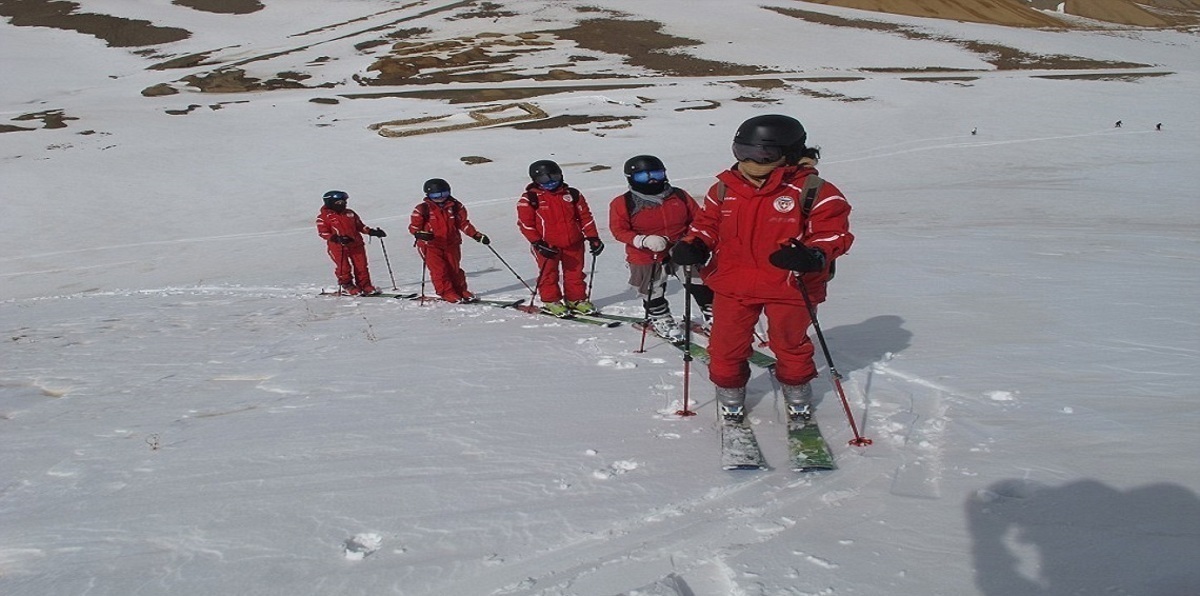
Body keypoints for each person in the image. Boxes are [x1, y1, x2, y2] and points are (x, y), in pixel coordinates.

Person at [671, 114, 853, 423]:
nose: (752, 162)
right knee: (725, 343)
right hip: (733, 282)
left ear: (789, 153)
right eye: (743, 152)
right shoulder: (724, 189)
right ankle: (730, 392)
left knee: (789, 343)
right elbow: (707, 226)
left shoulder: (814, 190)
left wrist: (813, 255)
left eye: (763, 154)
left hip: (790, 285)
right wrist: (696, 244)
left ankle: (796, 391)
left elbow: (834, 233)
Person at [608, 154, 714, 342]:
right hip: (646, 254)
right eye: (643, 176)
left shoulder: (679, 195)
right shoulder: (623, 202)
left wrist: (691, 240)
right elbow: (618, 230)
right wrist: (643, 240)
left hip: (680, 248)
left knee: (698, 281)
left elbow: (698, 219)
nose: (651, 180)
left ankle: (712, 315)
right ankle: (660, 317)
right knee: (652, 287)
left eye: (656, 173)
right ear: (631, 179)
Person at [517, 160, 604, 317]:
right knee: (549, 273)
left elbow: (585, 217)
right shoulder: (529, 198)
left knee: (575, 272)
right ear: (535, 180)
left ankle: (576, 299)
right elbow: (525, 224)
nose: (550, 182)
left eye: (554, 177)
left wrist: (593, 237)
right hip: (547, 245)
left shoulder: (572, 195)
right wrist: (537, 242)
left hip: (574, 242)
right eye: (544, 179)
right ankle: (551, 301)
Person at [408, 178, 490, 303]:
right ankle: (446, 292)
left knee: (454, 268)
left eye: (444, 194)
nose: (440, 198)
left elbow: (463, 223)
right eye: (435, 196)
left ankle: (460, 290)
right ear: (428, 196)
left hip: (452, 243)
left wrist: (476, 235)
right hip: (430, 245)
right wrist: (421, 234)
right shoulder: (422, 209)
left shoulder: (456, 206)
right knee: (439, 270)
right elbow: (414, 228)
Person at [315, 190, 386, 296]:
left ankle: (365, 286)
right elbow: (323, 232)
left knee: (361, 266)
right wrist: (336, 238)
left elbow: (360, 226)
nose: (343, 204)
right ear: (330, 203)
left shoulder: (350, 213)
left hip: (356, 244)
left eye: (344, 201)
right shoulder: (323, 217)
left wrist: (372, 231)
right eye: (339, 202)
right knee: (344, 267)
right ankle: (347, 285)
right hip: (338, 247)